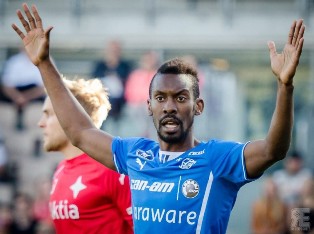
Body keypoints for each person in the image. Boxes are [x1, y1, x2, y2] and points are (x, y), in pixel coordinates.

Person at [12, 3, 305, 233]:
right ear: (149, 107)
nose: (169, 107)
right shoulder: (135, 155)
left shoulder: (216, 158)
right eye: (161, 98)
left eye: (180, 98)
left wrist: (285, 86)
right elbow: (79, 132)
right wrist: (44, 63)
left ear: (198, 106)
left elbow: (272, 150)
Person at [37, 77, 133, 233]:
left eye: (48, 115)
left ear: (70, 118)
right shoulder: (61, 169)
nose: (40, 123)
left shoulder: (111, 168)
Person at [91, 39, 132, 133]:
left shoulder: (125, 66)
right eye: (111, 50)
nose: (113, 52)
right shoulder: (99, 66)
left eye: (116, 50)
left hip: (121, 99)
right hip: (103, 96)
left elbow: (130, 83)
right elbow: (93, 81)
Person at [0, 47, 46, 131]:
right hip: (15, 93)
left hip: (33, 93)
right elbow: (6, 84)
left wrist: (25, 98)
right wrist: (17, 98)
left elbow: (42, 87)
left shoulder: (43, 61)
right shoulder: (14, 61)